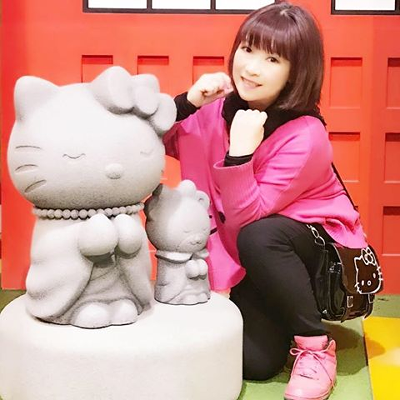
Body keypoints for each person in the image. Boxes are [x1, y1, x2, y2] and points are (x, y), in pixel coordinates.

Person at [162, 2, 367, 399]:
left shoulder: (305, 135)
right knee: (254, 363)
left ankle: (315, 346)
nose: (251, 68)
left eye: (272, 59)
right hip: (254, 258)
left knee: (261, 237)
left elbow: (247, 223)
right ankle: (281, 313)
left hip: (310, 254)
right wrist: (189, 101)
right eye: (248, 49)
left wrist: (240, 155)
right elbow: (153, 140)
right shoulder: (218, 109)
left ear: (296, 71)